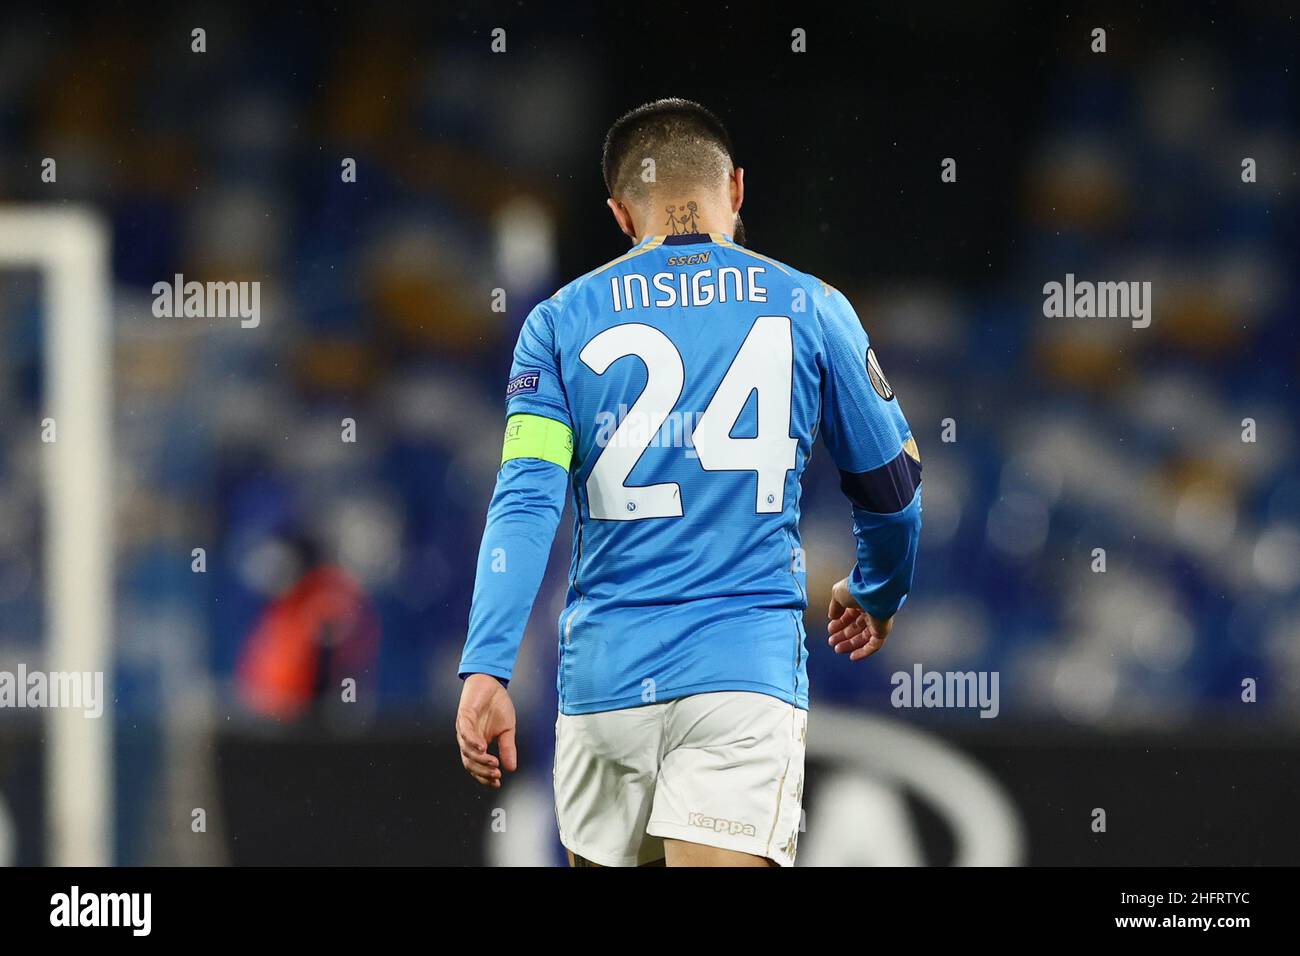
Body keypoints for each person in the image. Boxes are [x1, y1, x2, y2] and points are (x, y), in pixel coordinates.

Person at [455, 98, 922, 867]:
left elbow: (526, 503)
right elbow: (894, 492)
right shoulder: (810, 305)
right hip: (740, 676)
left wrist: (487, 663)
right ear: (736, 189)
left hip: (605, 684)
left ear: (617, 212)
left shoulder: (559, 323)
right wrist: (877, 590)